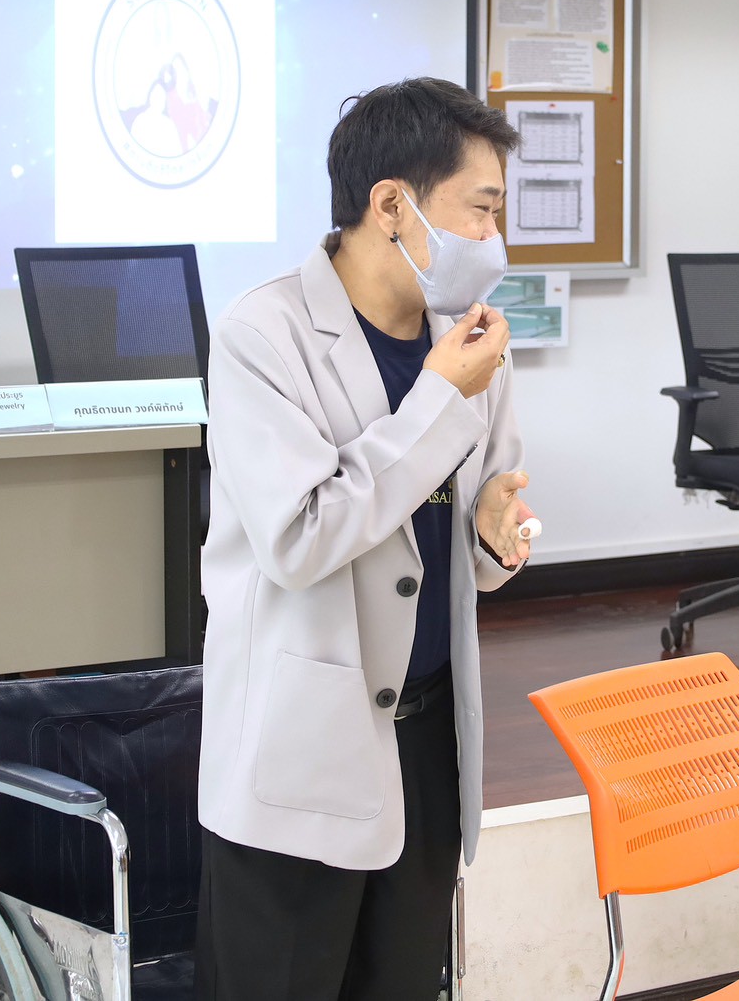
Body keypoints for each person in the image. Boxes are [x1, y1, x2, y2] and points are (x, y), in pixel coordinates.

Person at [194, 77, 535, 1000]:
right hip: (302, 746)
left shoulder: (468, 340)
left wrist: (493, 540)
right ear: (391, 205)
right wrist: (438, 397)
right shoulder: (263, 334)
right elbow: (301, 537)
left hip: (426, 740)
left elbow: (468, 530)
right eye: (480, 209)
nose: (493, 237)